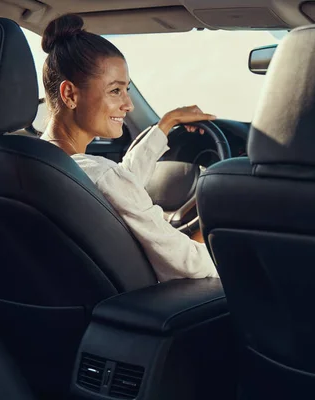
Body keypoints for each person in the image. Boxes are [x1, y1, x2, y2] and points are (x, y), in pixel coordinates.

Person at [39, 14, 218, 281]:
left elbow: (119, 183)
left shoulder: (38, 160)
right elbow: (186, 264)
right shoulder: (100, 175)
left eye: (127, 90)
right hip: (151, 308)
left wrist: (166, 124)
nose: (128, 105)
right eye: (115, 91)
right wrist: (235, 255)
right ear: (70, 95)